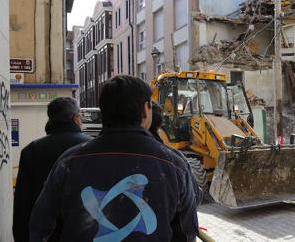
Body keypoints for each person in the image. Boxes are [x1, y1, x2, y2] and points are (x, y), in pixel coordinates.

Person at [30, 75, 202, 241]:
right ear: (145, 110)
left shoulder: (68, 162)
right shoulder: (174, 165)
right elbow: (187, 232)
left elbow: (41, 227)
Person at [13, 97, 91, 242]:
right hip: (83, 230)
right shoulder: (92, 148)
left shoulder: (31, 150)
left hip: (44, 234)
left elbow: (22, 204)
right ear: (75, 118)